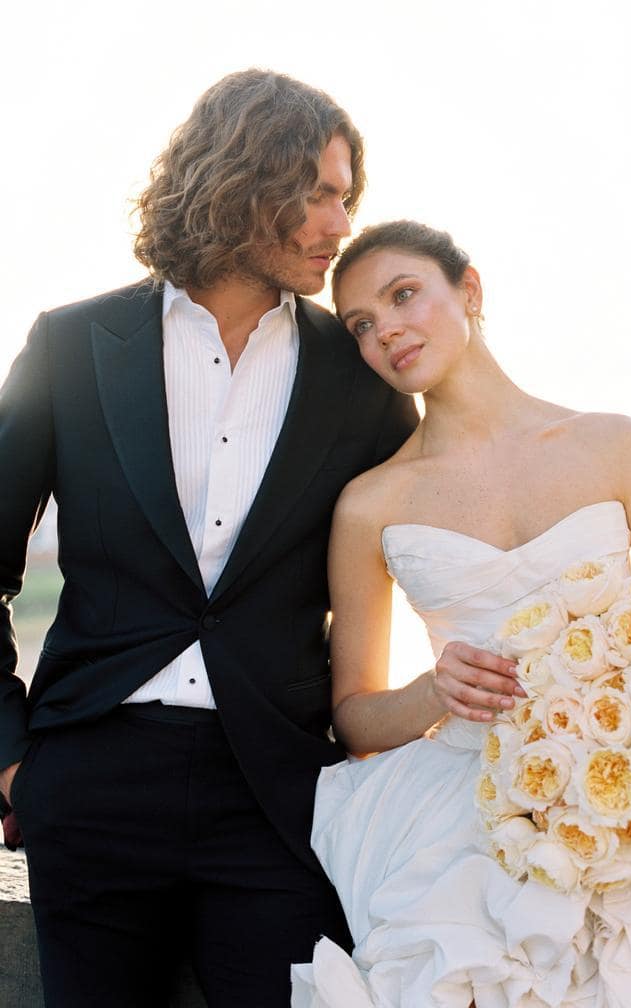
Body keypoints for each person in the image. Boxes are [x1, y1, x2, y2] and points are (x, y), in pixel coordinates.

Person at [0, 70, 421, 1007]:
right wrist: (14, 761)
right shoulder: (72, 346)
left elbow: (437, 535)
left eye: (347, 199)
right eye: (320, 195)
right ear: (243, 181)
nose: (341, 225)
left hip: (275, 796)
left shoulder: (360, 381)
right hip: (90, 780)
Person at [291, 220, 631, 1007]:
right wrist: (434, 692)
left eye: (404, 295)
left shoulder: (612, 443)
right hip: (471, 807)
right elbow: (355, 719)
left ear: (469, 289)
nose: (384, 330)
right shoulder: (370, 505)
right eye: (361, 324)